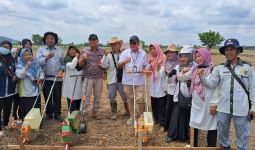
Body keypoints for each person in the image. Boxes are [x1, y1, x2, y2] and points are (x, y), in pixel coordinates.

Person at [199, 39, 255, 150]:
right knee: (222, 135)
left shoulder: (247, 68)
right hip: (223, 108)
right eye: (226, 50)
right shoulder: (219, 68)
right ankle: (225, 147)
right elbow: (211, 85)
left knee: (242, 136)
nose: (229, 52)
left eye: (231, 49)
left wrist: (253, 107)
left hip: (241, 109)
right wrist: (202, 77)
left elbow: (253, 88)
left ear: (238, 51)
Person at [178, 48, 217, 147]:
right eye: (196, 57)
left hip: (208, 103)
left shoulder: (213, 69)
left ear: (206, 56)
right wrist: (183, 72)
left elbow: (212, 86)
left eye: (200, 56)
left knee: (211, 126)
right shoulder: (195, 69)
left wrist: (214, 104)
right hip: (196, 102)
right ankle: (194, 145)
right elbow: (180, 78)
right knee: (194, 124)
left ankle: (211, 147)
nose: (198, 58)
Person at [165, 46, 195, 143]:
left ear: (190, 56)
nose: (182, 59)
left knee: (188, 115)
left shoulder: (194, 66)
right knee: (176, 114)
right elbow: (172, 80)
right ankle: (172, 135)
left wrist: (179, 74)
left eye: (185, 56)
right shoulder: (178, 67)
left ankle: (187, 136)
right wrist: (173, 75)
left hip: (191, 95)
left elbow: (184, 77)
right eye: (181, 56)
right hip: (179, 93)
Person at [118, 35, 147, 124]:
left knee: (140, 99)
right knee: (130, 98)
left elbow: (145, 65)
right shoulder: (125, 53)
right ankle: (131, 116)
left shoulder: (143, 53)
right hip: (128, 79)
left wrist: (144, 69)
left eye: (134, 43)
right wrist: (125, 61)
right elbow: (119, 66)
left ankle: (141, 116)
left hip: (139, 79)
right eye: (131, 43)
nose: (132, 44)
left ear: (138, 43)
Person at [37, 32, 65, 121]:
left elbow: (63, 63)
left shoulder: (60, 50)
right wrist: (47, 57)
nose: (49, 40)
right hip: (46, 78)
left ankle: (57, 114)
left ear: (55, 40)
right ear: (45, 40)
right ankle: (49, 113)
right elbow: (38, 63)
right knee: (47, 96)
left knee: (57, 96)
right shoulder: (41, 50)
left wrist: (62, 70)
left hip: (58, 78)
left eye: (52, 38)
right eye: (47, 38)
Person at [101, 37, 129, 120]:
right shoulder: (108, 55)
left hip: (122, 79)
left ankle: (128, 111)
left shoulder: (124, 54)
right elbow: (104, 65)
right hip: (111, 80)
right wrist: (105, 56)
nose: (113, 46)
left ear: (119, 45)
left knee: (125, 96)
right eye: (112, 45)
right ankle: (114, 113)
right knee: (112, 97)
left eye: (115, 44)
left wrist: (122, 47)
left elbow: (129, 47)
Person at [78, 34, 104, 120]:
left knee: (97, 96)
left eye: (94, 40)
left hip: (99, 77)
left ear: (97, 41)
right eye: (90, 40)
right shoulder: (84, 51)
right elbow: (80, 64)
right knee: (86, 96)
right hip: (88, 77)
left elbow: (106, 62)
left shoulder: (102, 51)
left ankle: (95, 113)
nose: (92, 42)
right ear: (88, 41)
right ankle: (83, 113)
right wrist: (83, 58)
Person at [16, 48, 44, 121]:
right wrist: (27, 66)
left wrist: (40, 79)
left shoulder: (35, 64)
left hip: (36, 90)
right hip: (26, 93)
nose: (28, 56)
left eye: (29, 54)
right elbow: (19, 75)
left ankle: (37, 123)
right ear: (22, 56)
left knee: (36, 108)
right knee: (27, 110)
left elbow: (41, 72)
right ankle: (27, 125)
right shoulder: (20, 66)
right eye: (25, 55)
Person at [12, 38, 33, 121]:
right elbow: (20, 74)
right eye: (26, 44)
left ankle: (23, 117)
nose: (28, 45)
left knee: (25, 103)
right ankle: (17, 116)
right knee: (18, 101)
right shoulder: (18, 56)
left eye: (29, 44)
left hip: (30, 89)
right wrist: (17, 49)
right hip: (19, 83)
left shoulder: (32, 60)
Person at [148, 44, 167, 131]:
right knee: (154, 103)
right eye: (151, 49)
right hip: (153, 83)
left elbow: (160, 74)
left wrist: (158, 67)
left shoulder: (163, 58)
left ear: (158, 49)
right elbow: (148, 70)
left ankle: (163, 123)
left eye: (154, 48)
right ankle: (156, 119)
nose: (152, 50)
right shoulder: (151, 58)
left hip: (160, 83)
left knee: (161, 104)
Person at [0, 40, 17, 137]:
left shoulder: (12, 59)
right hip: (0, 89)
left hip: (10, 89)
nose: (6, 48)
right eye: (3, 46)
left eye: (8, 47)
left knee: (7, 108)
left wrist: (14, 76)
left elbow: (14, 70)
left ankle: (5, 124)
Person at [62, 46, 83, 113]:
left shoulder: (80, 60)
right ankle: (71, 112)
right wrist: (76, 57)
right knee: (71, 96)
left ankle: (78, 113)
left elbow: (82, 69)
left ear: (77, 51)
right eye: (70, 50)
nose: (72, 51)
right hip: (70, 82)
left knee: (79, 96)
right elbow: (72, 66)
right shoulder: (67, 58)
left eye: (73, 50)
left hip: (78, 82)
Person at [164, 44, 179, 131]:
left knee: (176, 108)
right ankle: (168, 126)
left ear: (176, 53)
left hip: (178, 88)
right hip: (169, 88)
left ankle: (175, 127)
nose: (170, 54)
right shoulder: (166, 62)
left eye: (172, 52)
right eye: (168, 52)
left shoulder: (180, 63)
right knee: (169, 107)